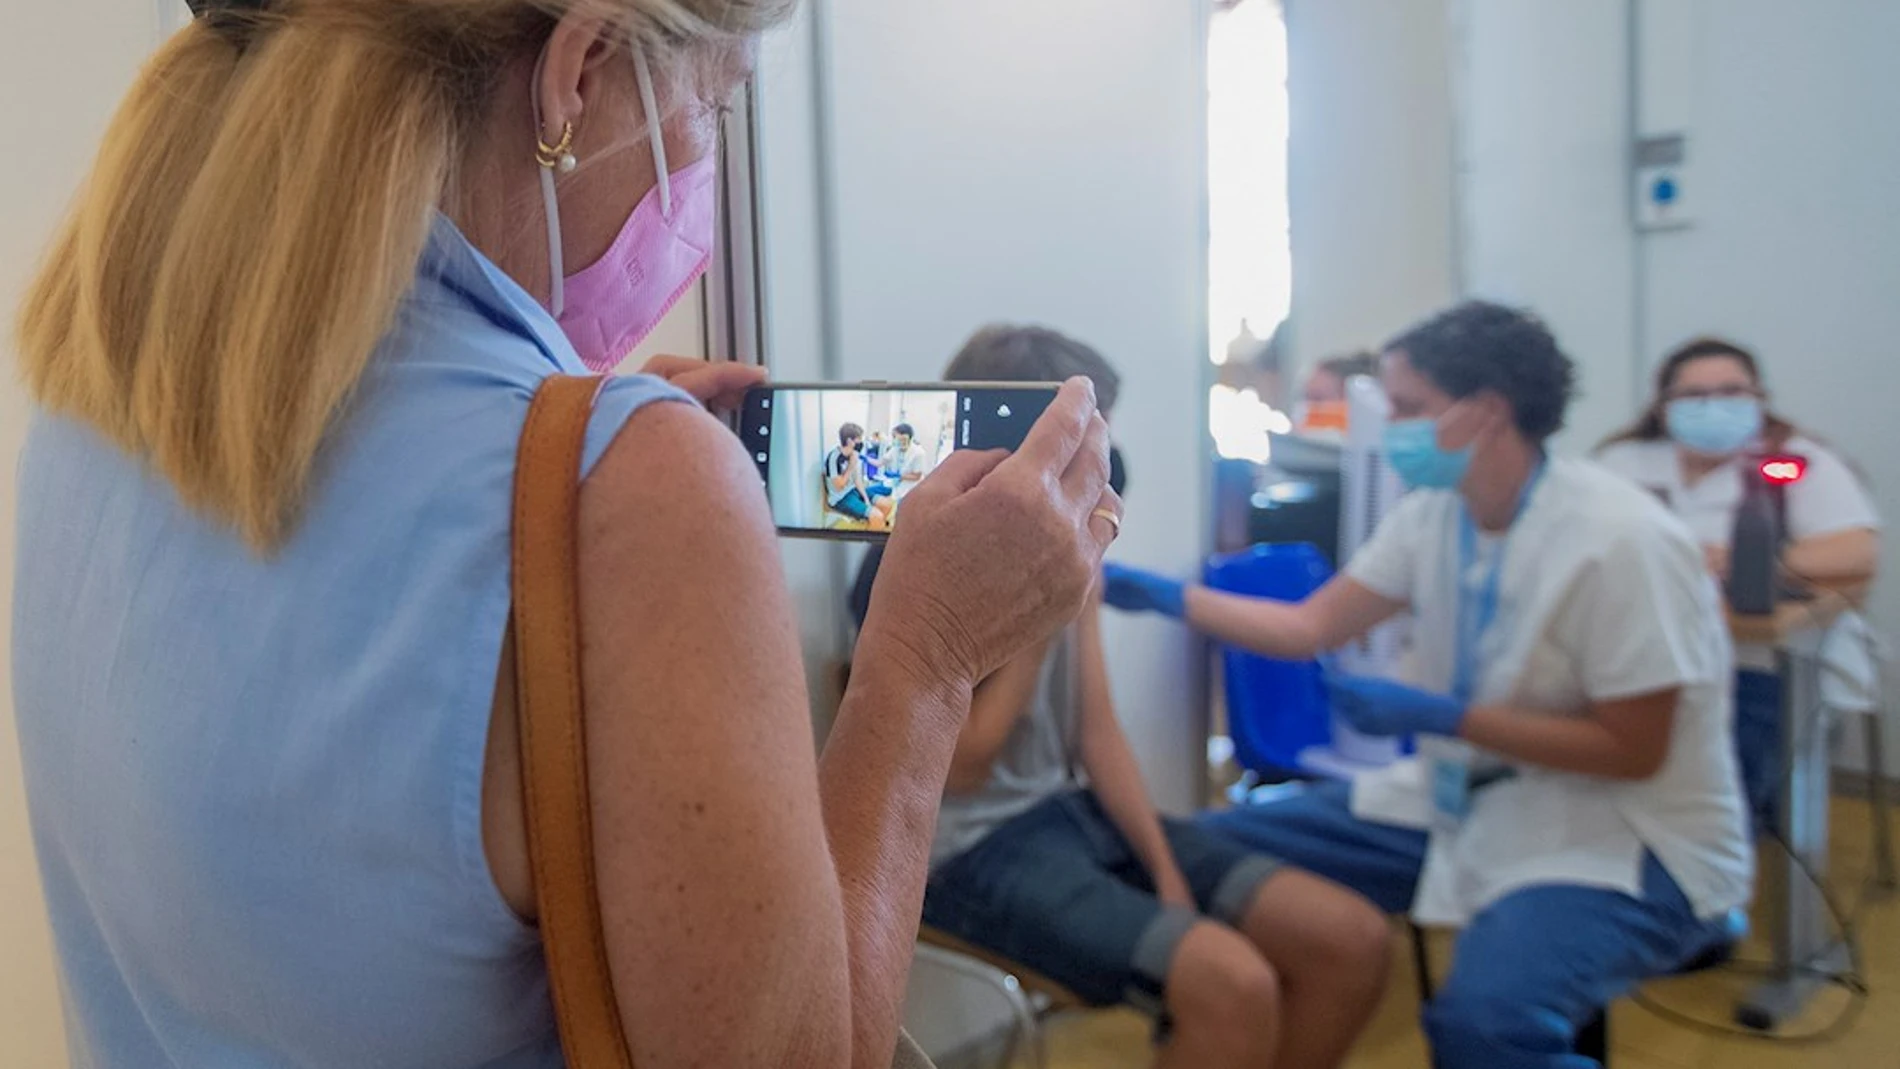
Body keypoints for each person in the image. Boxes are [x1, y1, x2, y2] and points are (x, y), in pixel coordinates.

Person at [10, 3, 1123, 1066]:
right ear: (578, 73)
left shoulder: (92, 403)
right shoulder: (630, 486)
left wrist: (586, 443)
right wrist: (925, 661)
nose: (703, 164)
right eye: (717, 106)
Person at [1106, 302, 1752, 1069]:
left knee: (1484, 1026)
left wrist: (1449, 716)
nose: (1393, 427)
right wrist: (1159, 595)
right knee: (1195, 848)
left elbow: (1635, 750)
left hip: (1621, 833)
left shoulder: (1624, 540)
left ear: (1484, 413)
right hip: (1460, 794)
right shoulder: (1438, 514)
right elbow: (1311, 625)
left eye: (1409, 408)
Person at [854, 325, 1392, 1069]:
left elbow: (1098, 733)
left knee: (1349, 939)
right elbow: (965, 764)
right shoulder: (910, 563)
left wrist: (1164, 866)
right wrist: (1039, 609)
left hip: (1070, 812)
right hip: (966, 849)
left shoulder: (1072, 554)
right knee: (1233, 987)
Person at [1596, 337, 1882, 825]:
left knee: (1715, 795)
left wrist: (1752, 562)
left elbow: (1857, 549)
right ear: (1664, 408)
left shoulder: (1791, 459)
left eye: (1732, 392)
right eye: (1693, 395)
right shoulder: (1626, 463)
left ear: (1760, 399)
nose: (1713, 405)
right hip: (1641, 657)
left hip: (1761, 669)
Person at [824, 422, 895, 528]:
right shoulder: (834, 458)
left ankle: (874, 527)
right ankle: (872, 534)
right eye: (859, 439)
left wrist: (866, 499)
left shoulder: (853, 453)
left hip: (854, 490)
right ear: (849, 441)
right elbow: (839, 486)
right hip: (840, 498)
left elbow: (857, 480)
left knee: (887, 504)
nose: (861, 442)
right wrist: (851, 466)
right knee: (877, 516)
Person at [885, 422, 931, 503]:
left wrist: (898, 476)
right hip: (898, 487)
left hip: (911, 488)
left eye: (895, 436)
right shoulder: (896, 449)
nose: (894, 439)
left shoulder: (918, 453)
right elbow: (882, 461)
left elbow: (916, 476)